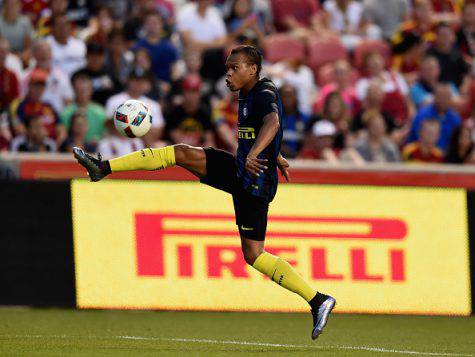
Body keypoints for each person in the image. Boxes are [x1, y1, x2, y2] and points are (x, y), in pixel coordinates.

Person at [72, 45, 336, 339]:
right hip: (244, 170)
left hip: (253, 180)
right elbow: (265, 129)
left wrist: (259, 154)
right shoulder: (248, 94)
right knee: (182, 154)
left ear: (253, 69)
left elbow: (272, 122)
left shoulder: (262, 92)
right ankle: (103, 167)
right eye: (227, 69)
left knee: (254, 254)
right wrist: (275, 155)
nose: (228, 74)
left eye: (235, 68)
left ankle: (318, 300)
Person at [407, 82, 461, 151]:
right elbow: (418, 139)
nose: (443, 100)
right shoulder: (423, 114)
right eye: (441, 96)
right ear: (434, 97)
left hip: (446, 157)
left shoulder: (455, 119)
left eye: (446, 97)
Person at [165, 74, 215, 148]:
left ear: (199, 94)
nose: (191, 96)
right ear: (183, 92)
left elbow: (209, 139)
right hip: (178, 151)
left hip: (199, 151)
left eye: (194, 92)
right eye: (188, 91)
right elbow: (177, 139)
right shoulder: (174, 112)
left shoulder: (205, 113)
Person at [61, 72, 107, 145]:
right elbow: (63, 135)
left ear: (91, 90)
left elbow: (106, 134)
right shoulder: (67, 112)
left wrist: (98, 140)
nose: (83, 92)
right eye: (80, 89)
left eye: (86, 89)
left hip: (96, 149)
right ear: (74, 90)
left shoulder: (100, 112)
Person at [426, 22, 469, 89]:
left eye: (447, 34)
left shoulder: (457, 53)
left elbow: (466, 73)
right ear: (436, 36)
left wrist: (463, 88)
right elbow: (426, 77)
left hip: (455, 90)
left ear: (452, 36)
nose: (445, 37)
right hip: (435, 90)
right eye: (442, 34)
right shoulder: (429, 54)